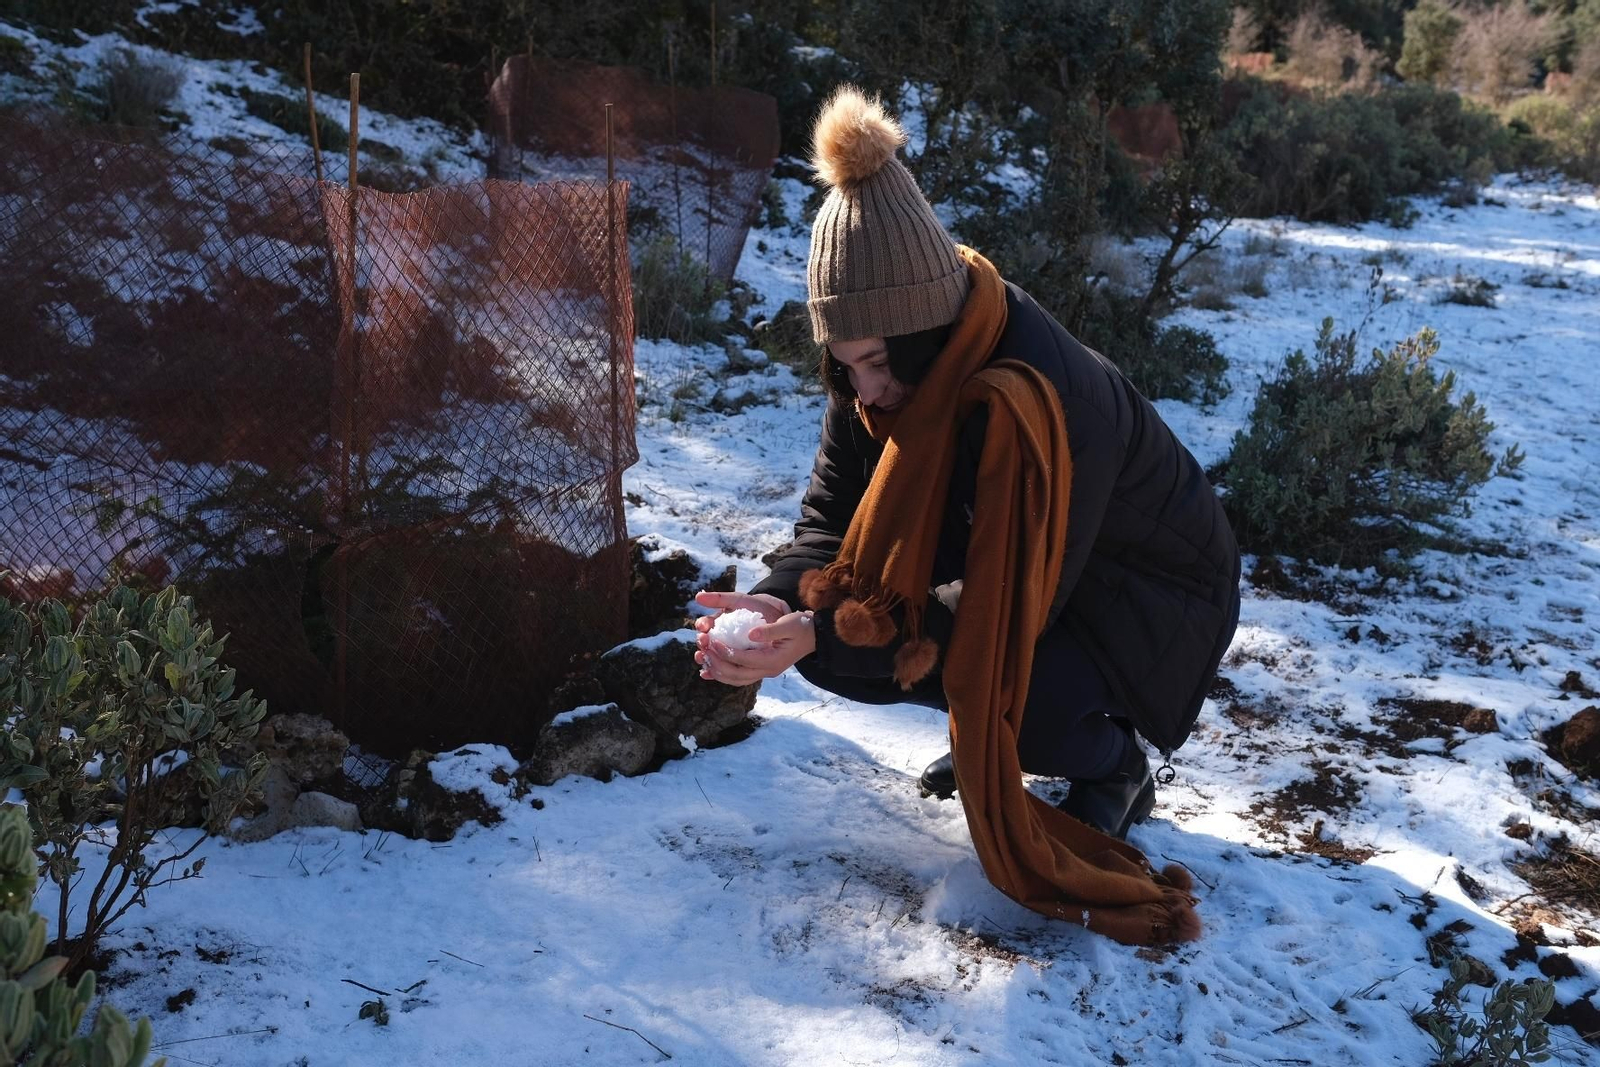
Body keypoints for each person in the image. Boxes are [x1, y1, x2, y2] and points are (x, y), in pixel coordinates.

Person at [694, 87, 1240, 945]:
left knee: (995, 685)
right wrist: (780, 599)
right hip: (1043, 580)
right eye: (845, 366)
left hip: (1148, 601)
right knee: (840, 646)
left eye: (877, 364)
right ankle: (999, 729)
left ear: (924, 331)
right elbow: (829, 518)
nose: (864, 391)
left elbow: (1009, 613)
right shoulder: (878, 366)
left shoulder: (1043, 401)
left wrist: (827, 631)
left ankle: (1111, 762)